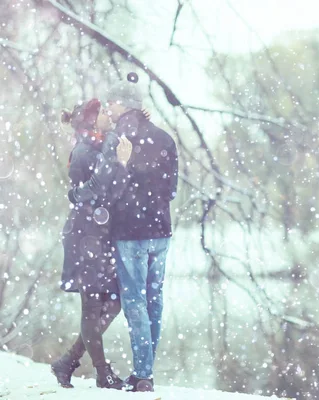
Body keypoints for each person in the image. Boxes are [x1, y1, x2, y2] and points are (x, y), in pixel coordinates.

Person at [51, 99, 133, 390]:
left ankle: (69, 361)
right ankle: (102, 373)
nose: (108, 116)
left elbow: (115, 192)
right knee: (92, 304)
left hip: (100, 234)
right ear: (90, 120)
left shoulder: (104, 146)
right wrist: (114, 167)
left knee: (116, 301)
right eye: (101, 113)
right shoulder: (84, 150)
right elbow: (88, 193)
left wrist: (119, 164)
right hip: (84, 234)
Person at [104, 72, 178, 392]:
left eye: (110, 103)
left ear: (122, 105)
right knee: (153, 299)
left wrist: (122, 170)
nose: (107, 109)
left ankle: (143, 374)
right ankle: (145, 370)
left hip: (129, 231)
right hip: (160, 231)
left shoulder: (117, 140)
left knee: (134, 301)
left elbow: (112, 192)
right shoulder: (165, 138)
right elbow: (171, 190)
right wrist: (154, 205)